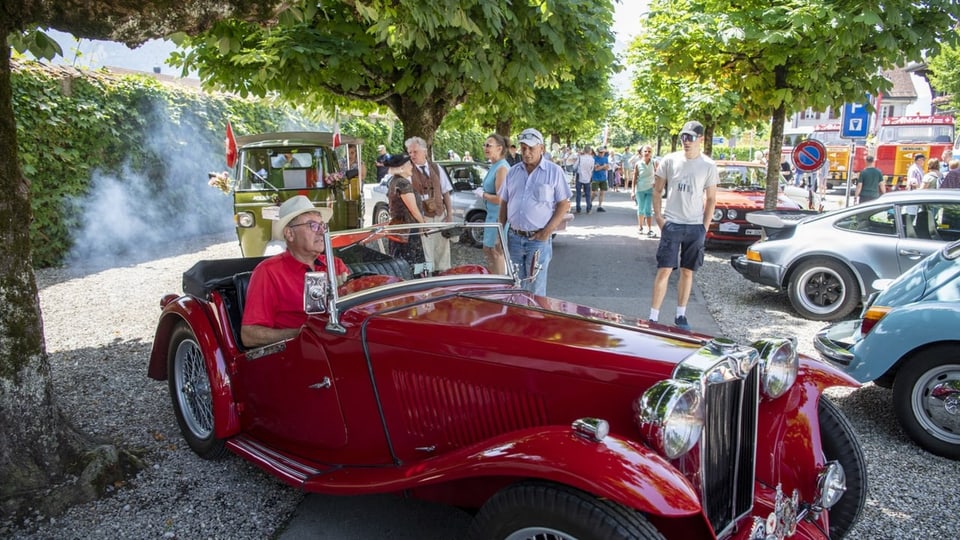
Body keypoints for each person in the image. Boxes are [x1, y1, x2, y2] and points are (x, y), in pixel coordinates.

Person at [241, 196, 350, 347]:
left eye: (322, 226)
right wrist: (303, 334)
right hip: (297, 355)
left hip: (340, 344)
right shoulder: (268, 272)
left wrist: (346, 290)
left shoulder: (335, 264)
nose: (321, 232)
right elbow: (249, 335)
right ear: (289, 234)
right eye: (312, 225)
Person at [648, 120, 718, 331]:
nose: (686, 142)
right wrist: (659, 217)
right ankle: (653, 317)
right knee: (664, 269)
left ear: (701, 139)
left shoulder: (708, 165)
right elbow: (657, 190)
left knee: (688, 271)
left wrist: (704, 226)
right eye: (683, 138)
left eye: (690, 138)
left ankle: (681, 315)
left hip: (695, 226)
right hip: (673, 223)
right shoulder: (670, 160)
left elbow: (712, 198)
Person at [498, 128, 572, 296]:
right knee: (515, 285)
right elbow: (504, 203)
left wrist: (547, 231)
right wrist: (499, 234)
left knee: (536, 289)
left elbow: (563, 204)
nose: (527, 152)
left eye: (531, 148)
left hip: (538, 239)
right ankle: (518, 320)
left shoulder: (554, 172)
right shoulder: (513, 172)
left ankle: (535, 321)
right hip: (514, 238)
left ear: (542, 149)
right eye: (523, 148)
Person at [407, 136, 454, 272]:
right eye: (410, 152)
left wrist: (449, 214)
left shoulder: (436, 168)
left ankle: (443, 279)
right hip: (423, 219)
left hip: (440, 216)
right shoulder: (408, 171)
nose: (412, 155)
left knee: (442, 253)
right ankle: (427, 280)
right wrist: (419, 222)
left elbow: (446, 192)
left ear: (424, 151)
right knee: (425, 254)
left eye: (415, 152)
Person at [474, 133, 510, 273]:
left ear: (499, 148)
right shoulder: (494, 165)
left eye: (489, 145)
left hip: (498, 216)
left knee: (496, 252)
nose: (485, 148)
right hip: (491, 215)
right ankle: (493, 281)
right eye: (484, 145)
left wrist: (483, 194)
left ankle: (501, 285)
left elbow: (501, 199)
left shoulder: (502, 168)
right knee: (488, 250)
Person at [384, 153, 427, 267]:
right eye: (409, 164)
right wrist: (423, 224)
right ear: (401, 168)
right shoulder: (403, 183)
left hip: (399, 229)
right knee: (412, 264)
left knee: (400, 263)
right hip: (408, 230)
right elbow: (413, 209)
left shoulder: (394, 181)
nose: (411, 167)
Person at [634, 145, 657, 237]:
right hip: (640, 189)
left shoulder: (654, 163)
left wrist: (656, 183)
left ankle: (649, 229)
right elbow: (635, 177)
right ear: (642, 153)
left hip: (650, 189)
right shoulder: (638, 164)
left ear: (651, 153)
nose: (647, 153)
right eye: (645, 151)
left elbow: (658, 175)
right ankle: (640, 227)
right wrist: (632, 191)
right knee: (640, 209)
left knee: (648, 209)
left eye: (649, 151)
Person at [573, 146, 595, 214]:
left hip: (579, 176)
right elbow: (592, 169)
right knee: (588, 193)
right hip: (588, 177)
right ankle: (588, 209)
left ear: (584, 150)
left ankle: (578, 208)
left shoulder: (580, 158)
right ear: (590, 151)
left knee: (578, 193)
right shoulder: (592, 159)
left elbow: (574, 167)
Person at [592, 146, 610, 212]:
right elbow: (596, 169)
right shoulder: (594, 158)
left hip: (603, 178)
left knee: (602, 192)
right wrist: (603, 166)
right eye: (600, 152)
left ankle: (599, 206)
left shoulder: (606, 158)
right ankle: (589, 203)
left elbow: (607, 168)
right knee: (594, 193)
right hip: (595, 178)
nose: (602, 153)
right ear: (598, 152)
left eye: (603, 152)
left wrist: (602, 167)